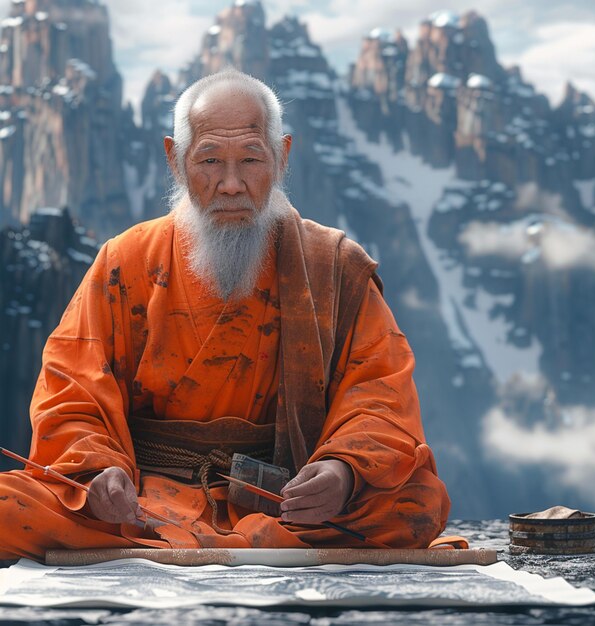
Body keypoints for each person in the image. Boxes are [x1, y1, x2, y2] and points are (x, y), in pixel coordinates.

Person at [0, 69, 450, 560]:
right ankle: (232, 546)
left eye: (251, 160)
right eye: (210, 160)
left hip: (279, 502)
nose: (231, 185)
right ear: (175, 159)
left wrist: (342, 471)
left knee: (414, 504)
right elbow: (73, 389)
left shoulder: (333, 267)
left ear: (282, 156)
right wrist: (96, 473)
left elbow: (379, 391)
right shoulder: (125, 261)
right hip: (144, 500)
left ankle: (200, 544)